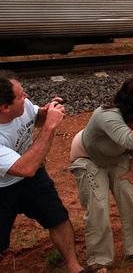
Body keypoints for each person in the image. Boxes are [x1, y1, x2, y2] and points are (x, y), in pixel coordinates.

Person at [69, 76, 133, 272]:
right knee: (98, 206)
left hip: (117, 158)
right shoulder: (107, 115)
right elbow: (132, 141)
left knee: (131, 196)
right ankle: (99, 258)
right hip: (89, 159)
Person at [0, 74, 85, 273]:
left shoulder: (22, 106)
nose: (27, 97)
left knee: (58, 219)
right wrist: (50, 127)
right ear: (4, 107)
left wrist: (46, 113)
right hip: (3, 188)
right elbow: (25, 168)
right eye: (21, 96)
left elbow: (35, 118)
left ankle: (74, 267)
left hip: (32, 179)